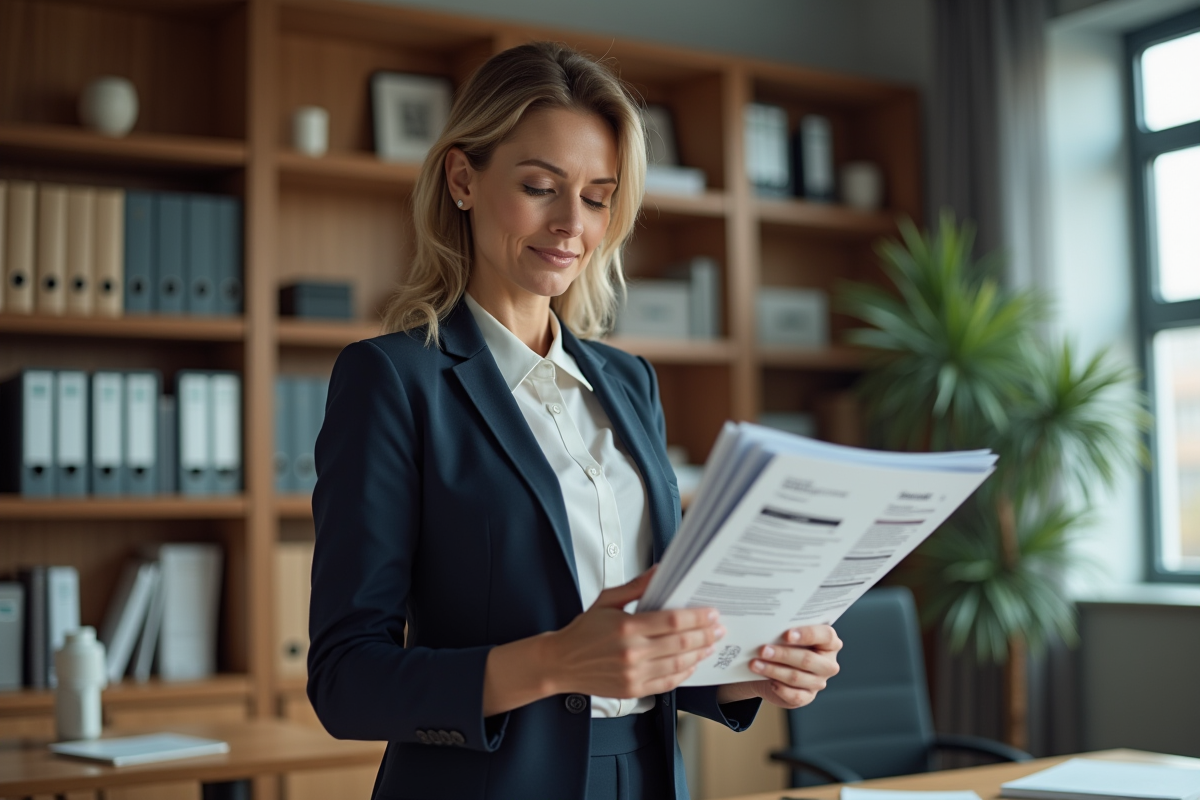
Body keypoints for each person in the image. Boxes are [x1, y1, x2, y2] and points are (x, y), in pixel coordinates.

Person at [307, 41, 842, 800]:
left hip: (645, 776)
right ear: (463, 178)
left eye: (597, 197)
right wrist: (555, 662)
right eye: (539, 187)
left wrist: (753, 674)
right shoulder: (393, 379)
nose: (570, 224)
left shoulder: (627, 382)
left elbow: (648, 656)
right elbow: (345, 681)